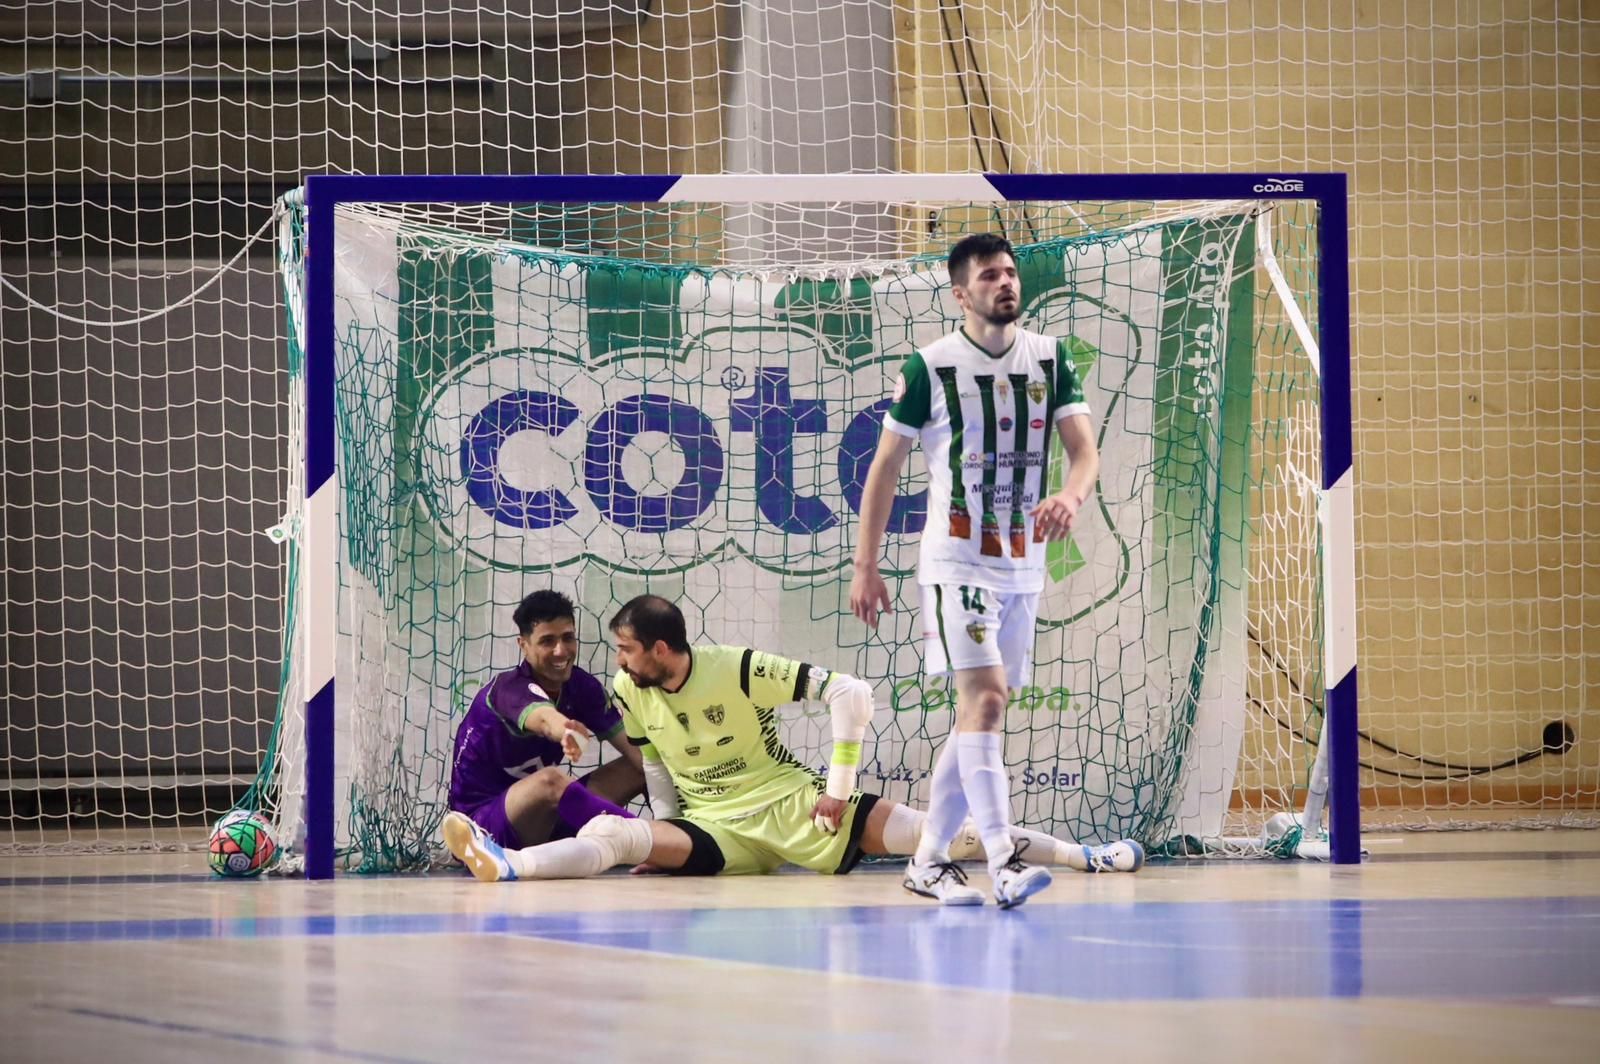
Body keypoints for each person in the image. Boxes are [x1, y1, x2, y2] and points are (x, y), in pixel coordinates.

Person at [441, 594, 1140, 905]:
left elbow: (852, 695)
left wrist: (836, 789)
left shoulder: (736, 666)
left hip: (797, 807)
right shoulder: (631, 685)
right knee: (621, 839)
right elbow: (653, 761)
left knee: (945, 838)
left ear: (661, 649)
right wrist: (662, 834)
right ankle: (511, 865)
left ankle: (1088, 856)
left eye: (626, 648)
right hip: (716, 828)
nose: (612, 659)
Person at [848, 231, 1140, 907]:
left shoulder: (1050, 358)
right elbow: (885, 469)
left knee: (977, 716)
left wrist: (1070, 496)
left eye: (1010, 273)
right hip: (956, 561)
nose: (1005, 283)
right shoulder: (930, 366)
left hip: (1022, 567)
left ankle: (926, 864)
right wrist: (867, 565)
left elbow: (1084, 453)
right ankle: (1003, 857)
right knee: (987, 701)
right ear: (960, 293)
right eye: (989, 275)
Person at [445, 590, 645, 854]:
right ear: (523, 645)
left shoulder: (582, 687)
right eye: (547, 641)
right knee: (549, 781)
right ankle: (648, 840)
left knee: (646, 763)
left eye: (567, 638)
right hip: (482, 829)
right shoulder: (507, 689)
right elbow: (543, 717)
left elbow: (636, 752)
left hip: (546, 823)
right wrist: (565, 730)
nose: (560, 651)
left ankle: (681, 832)